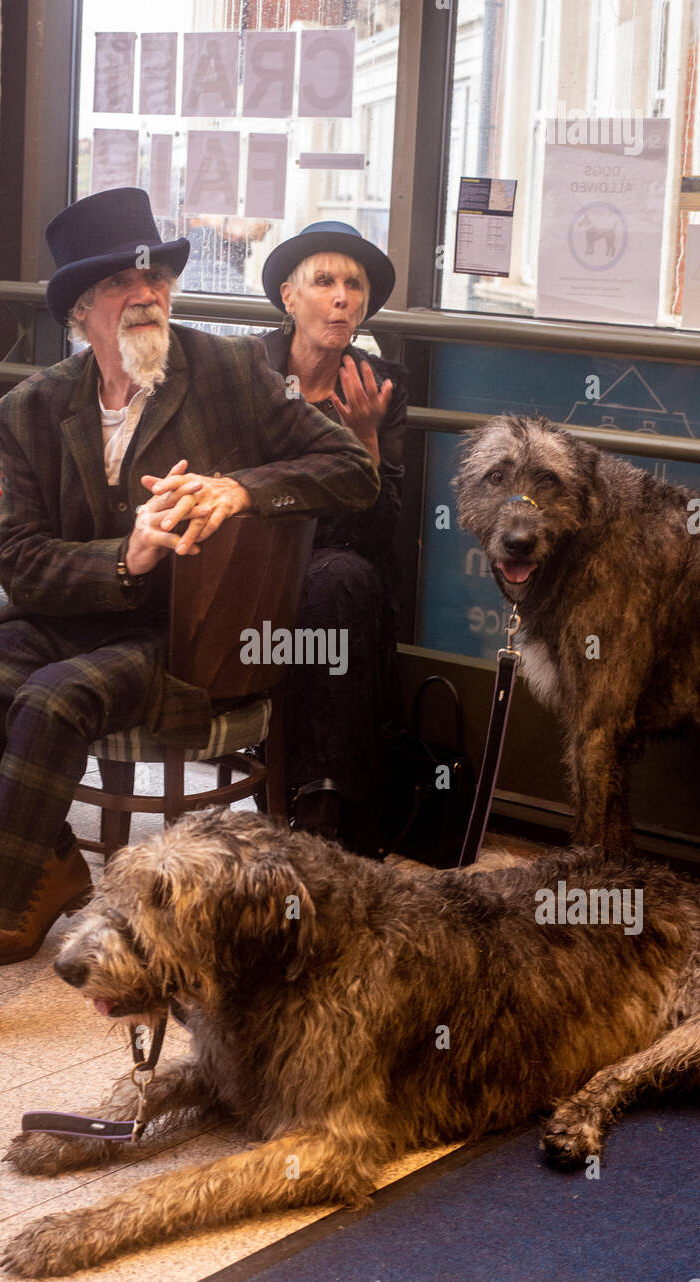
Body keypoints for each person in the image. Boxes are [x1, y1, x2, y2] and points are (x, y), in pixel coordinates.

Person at [0, 187, 377, 1065]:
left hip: (181, 637)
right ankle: (49, 868)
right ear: (79, 311)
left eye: (156, 273)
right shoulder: (30, 409)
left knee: (51, 703)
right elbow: (19, 562)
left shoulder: (224, 372)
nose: (145, 291)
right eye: (119, 281)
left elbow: (349, 472)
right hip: (64, 618)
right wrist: (125, 556)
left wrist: (241, 488)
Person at [258, 222, 407, 851]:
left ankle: (322, 809)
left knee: (341, 578)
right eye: (324, 282)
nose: (342, 297)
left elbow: (382, 535)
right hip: (251, 561)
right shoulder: (248, 371)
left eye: (354, 285)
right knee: (332, 581)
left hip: (338, 575)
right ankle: (319, 804)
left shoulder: (376, 385)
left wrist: (366, 440)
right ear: (290, 298)